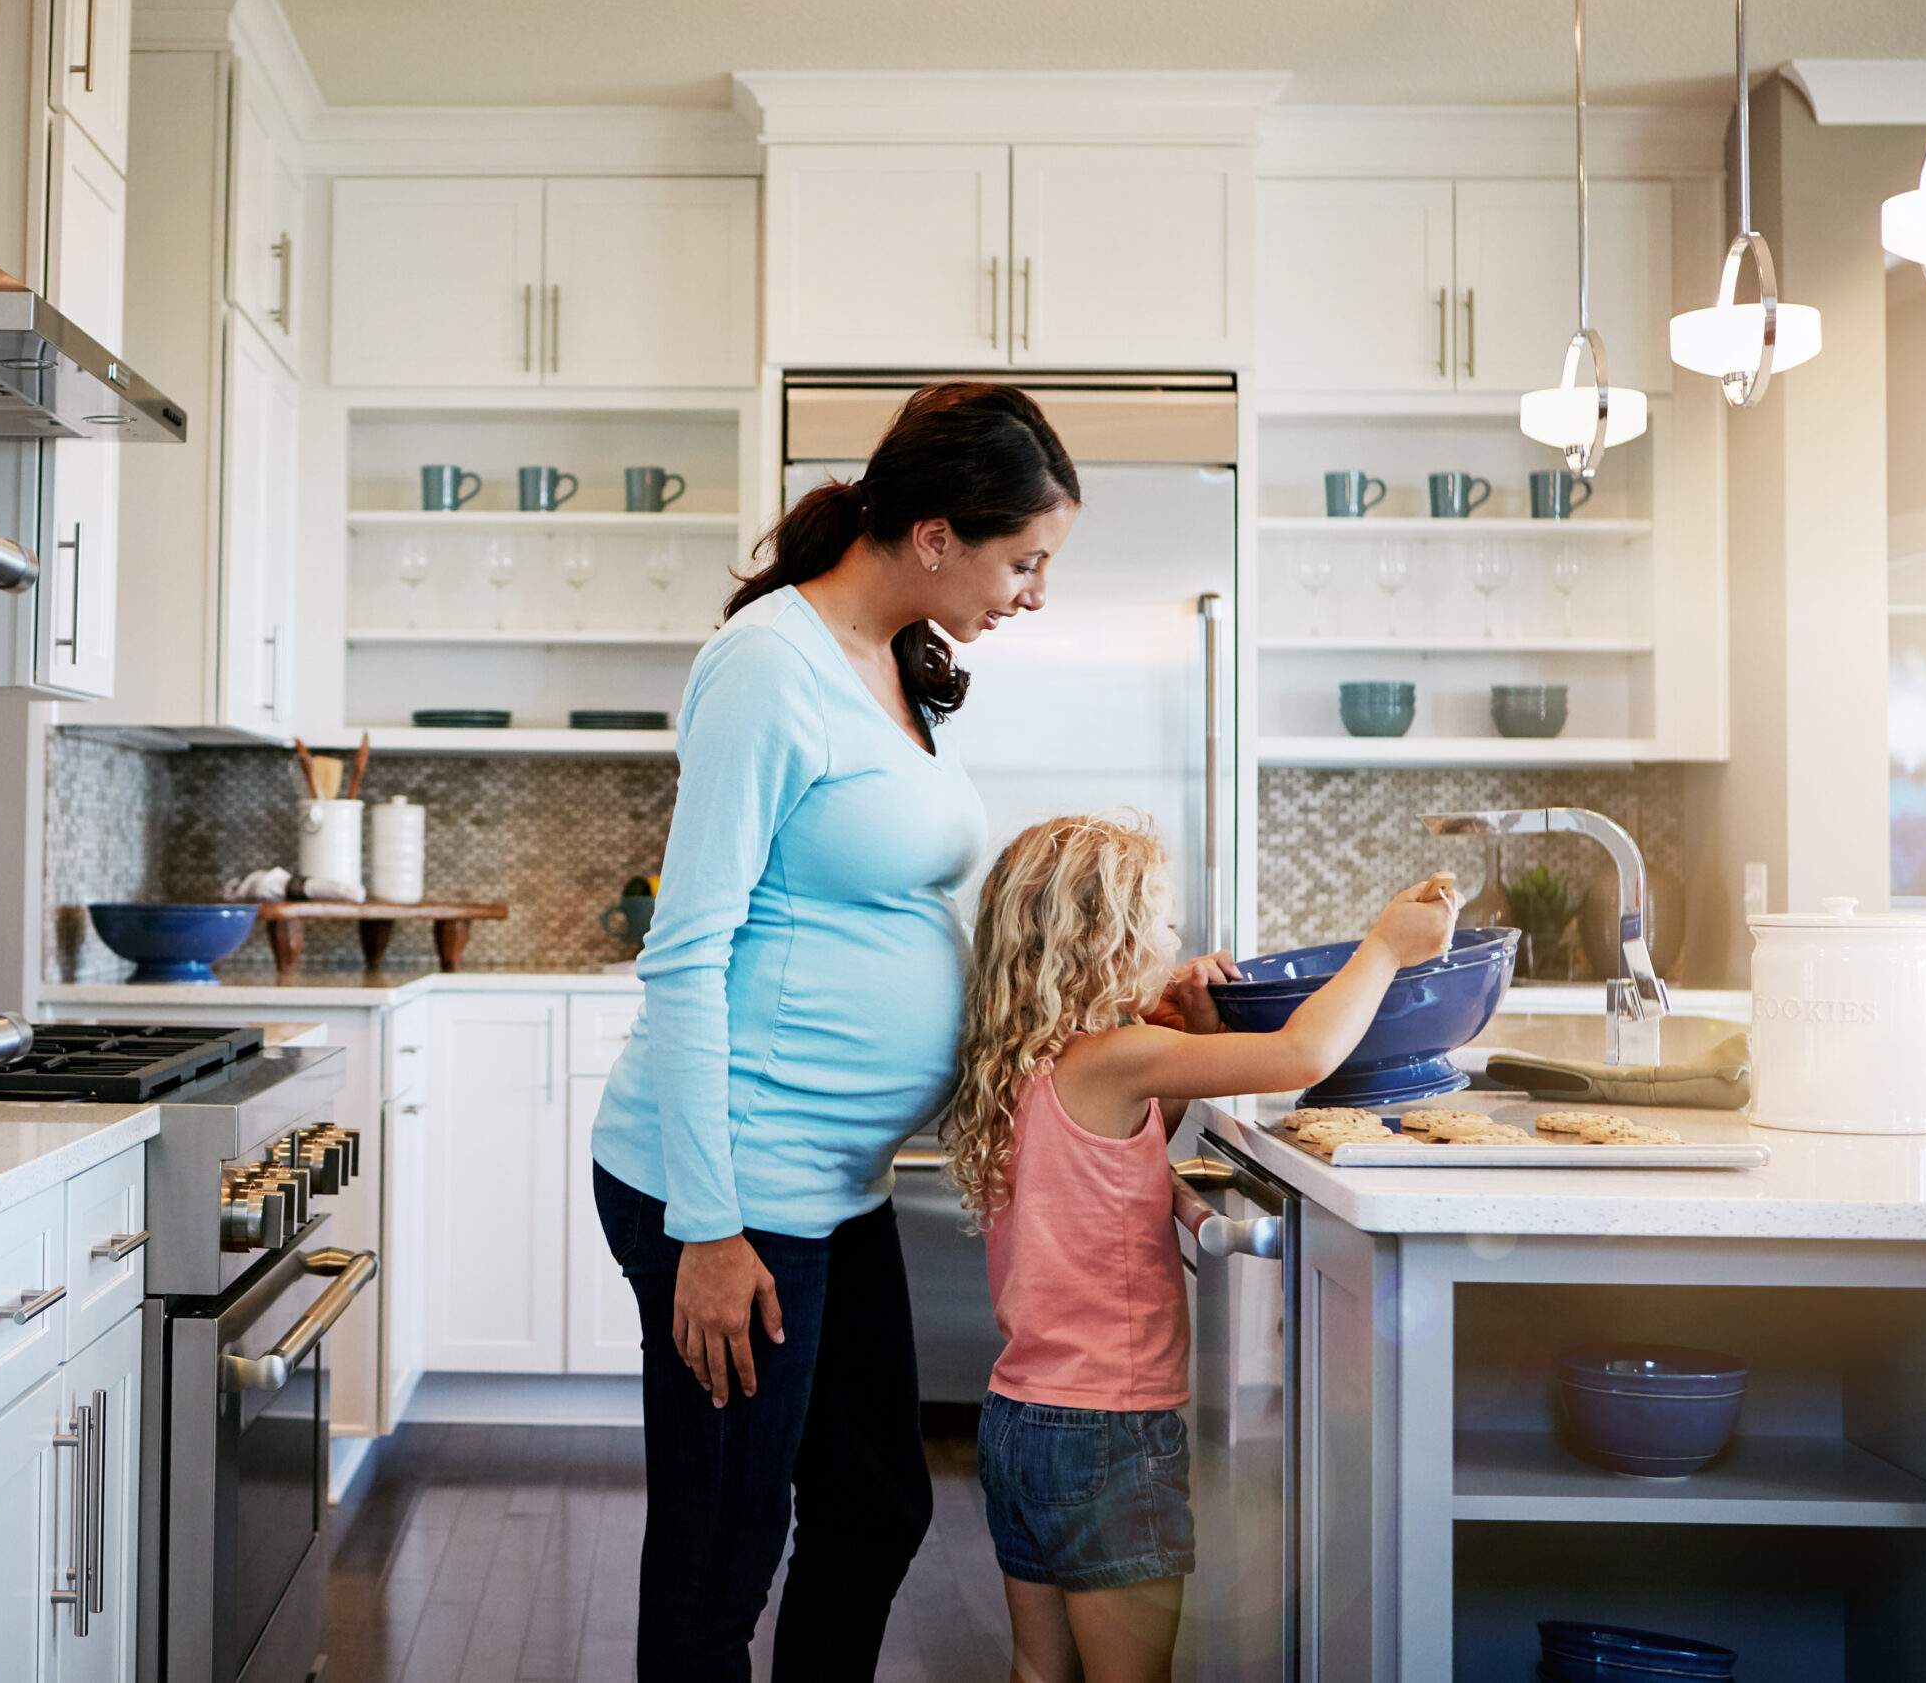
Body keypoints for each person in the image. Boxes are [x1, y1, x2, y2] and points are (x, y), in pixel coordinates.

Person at [588, 381, 1082, 1682]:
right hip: (732, 1184)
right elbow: (686, 957)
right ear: (934, 535)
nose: (1033, 591)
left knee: (876, 1503)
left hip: (835, 1186)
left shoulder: (893, 664)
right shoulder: (771, 666)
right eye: (1022, 560)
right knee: (721, 1548)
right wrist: (705, 1228)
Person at [945, 816, 1457, 1683]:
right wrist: (1384, 946)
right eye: (1165, 923)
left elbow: (1112, 1157)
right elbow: (1303, 1052)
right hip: (1110, 1433)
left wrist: (1197, 1022)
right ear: (1108, 942)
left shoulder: (1025, 1065)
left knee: (1040, 1671)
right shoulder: (1124, 1056)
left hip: (1018, 1419)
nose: (1178, 941)